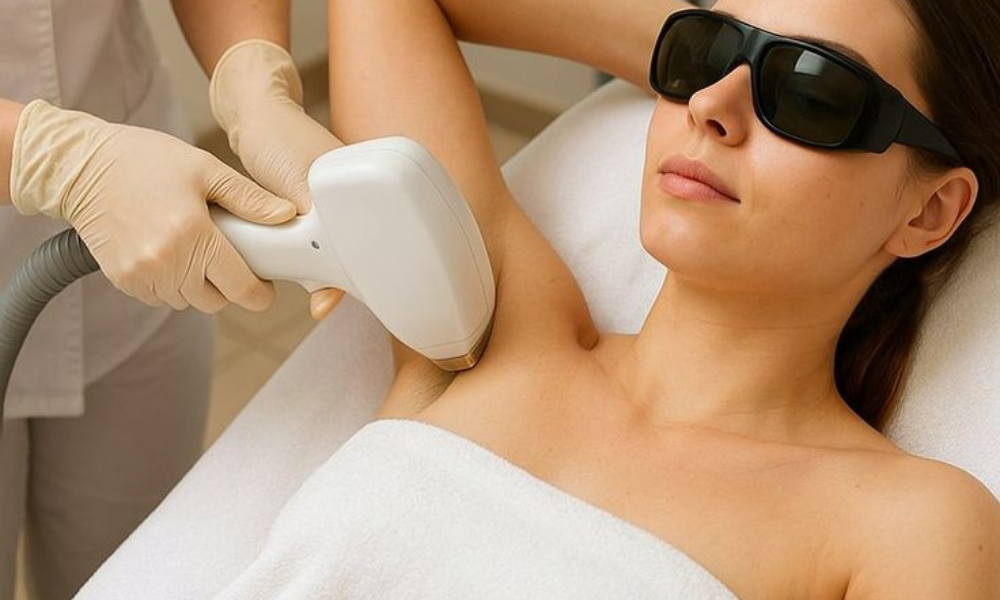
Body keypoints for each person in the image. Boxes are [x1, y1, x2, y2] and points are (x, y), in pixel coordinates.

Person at [210, 0, 1000, 596]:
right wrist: (675, 37)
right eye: (703, 55)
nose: (710, 108)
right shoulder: (491, 329)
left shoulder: (906, 525)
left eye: (813, 92)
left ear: (927, 212)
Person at [0, 2, 342, 598]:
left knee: (139, 568)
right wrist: (55, 157)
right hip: (109, 176)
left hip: (145, 231)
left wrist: (252, 75)